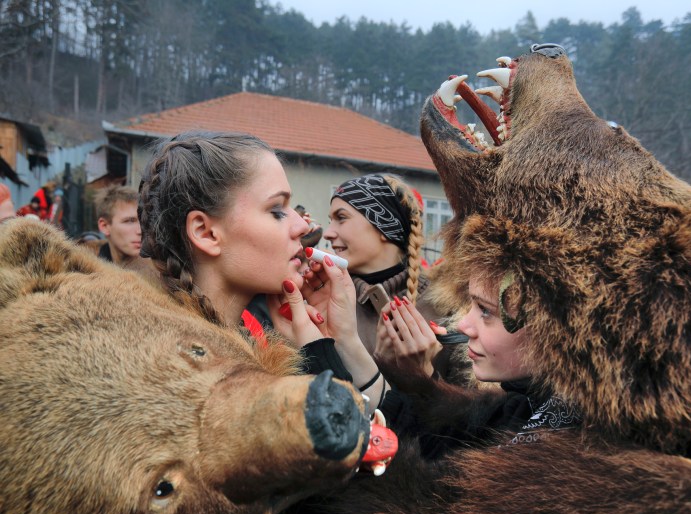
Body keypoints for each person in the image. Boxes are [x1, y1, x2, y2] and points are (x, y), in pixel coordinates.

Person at [137, 130, 385, 411]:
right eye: (276, 210)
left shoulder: (241, 347)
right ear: (206, 233)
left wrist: (333, 344)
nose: (302, 226)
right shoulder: (192, 381)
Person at [377, 272, 581, 457]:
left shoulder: (577, 447)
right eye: (472, 304)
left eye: (485, 310)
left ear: (550, 326)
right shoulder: (521, 408)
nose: (462, 325)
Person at [324, 173, 462, 377]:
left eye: (341, 218)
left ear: (384, 224)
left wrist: (425, 375)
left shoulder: (448, 308)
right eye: (331, 220)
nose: (328, 232)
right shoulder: (326, 301)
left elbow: (469, 403)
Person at [88, 185, 142, 266]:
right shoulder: (85, 273)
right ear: (104, 226)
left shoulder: (163, 271)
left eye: (143, 222)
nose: (140, 231)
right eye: (129, 221)